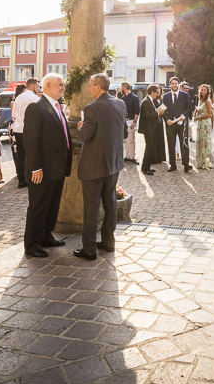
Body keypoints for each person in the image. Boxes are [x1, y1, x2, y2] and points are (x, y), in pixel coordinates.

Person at [73, 73, 127, 261]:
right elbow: (123, 131)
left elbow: (85, 136)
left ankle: (89, 248)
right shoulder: (120, 103)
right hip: (114, 163)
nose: (88, 88)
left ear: (98, 86)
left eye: (90, 85)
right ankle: (108, 242)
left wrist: (80, 126)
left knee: (92, 206)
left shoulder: (92, 108)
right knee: (110, 203)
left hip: (94, 165)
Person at [22, 73, 71, 258]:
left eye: (63, 85)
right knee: (38, 206)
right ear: (48, 85)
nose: (63, 88)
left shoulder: (57, 106)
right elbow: (30, 140)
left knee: (52, 205)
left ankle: (46, 235)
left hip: (56, 167)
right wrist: (35, 167)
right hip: (41, 170)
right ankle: (32, 244)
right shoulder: (36, 107)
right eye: (60, 85)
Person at [11, 78, 41, 188]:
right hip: (28, 130)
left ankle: (21, 179)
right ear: (32, 86)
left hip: (18, 128)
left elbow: (13, 114)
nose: (38, 88)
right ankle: (31, 176)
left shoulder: (18, 97)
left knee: (20, 155)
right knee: (31, 154)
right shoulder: (34, 98)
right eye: (37, 86)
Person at [162, 77, 192, 173]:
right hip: (170, 124)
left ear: (179, 84)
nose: (174, 85)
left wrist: (184, 115)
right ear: (170, 85)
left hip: (181, 123)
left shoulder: (185, 95)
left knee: (184, 144)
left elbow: (188, 108)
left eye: (176, 83)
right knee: (171, 144)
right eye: (173, 83)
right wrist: (166, 120)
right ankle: (172, 164)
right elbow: (163, 110)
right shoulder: (165, 96)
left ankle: (186, 164)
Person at [138, 84, 164, 176]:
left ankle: (146, 167)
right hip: (148, 129)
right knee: (149, 148)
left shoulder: (151, 101)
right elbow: (147, 116)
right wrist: (158, 113)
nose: (158, 94)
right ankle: (145, 168)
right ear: (152, 92)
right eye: (157, 92)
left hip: (152, 128)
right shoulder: (146, 101)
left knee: (150, 147)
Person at [193, 84, 214, 170]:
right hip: (200, 123)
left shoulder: (208, 101)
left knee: (205, 142)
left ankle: (208, 161)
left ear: (207, 91)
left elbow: (210, 114)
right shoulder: (200, 100)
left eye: (205, 90)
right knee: (200, 141)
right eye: (202, 90)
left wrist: (199, 117)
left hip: (205, 124)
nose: (203, 91)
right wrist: (197, 111)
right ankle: (200, 162)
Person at [120, 82, 140, 165]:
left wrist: (134, 122)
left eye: (121, 87)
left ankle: (132, 157)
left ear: (124, 88)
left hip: (131, 120)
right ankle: (127, 156)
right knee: (125, 140)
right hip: (124, 121)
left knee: (131, 139)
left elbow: (137, 111)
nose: (120, 88)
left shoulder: (135, 98)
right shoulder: (123, 98)